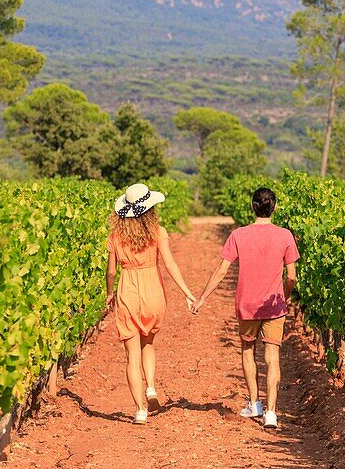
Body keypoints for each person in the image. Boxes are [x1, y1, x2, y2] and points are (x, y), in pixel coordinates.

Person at [193, 187, 298, 429]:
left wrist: (201, 299)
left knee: (248, 350)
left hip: (247, 305)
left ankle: (254, 404)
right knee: (272, 356)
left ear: (253, 207)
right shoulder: (285, 236)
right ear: (275, 207)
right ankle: (271, 413)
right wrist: (286, 296)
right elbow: (291, 277)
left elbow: (221, 271)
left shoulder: (238, 235)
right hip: (274, 305)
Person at [106, 182, 197, 425]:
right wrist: (187, 292)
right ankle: (152, 388)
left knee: (131, 356)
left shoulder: (115, 237)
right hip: (153, 292)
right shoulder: (158, 232)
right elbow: (170, 265)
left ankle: (139, 411)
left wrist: (108, 294)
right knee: (149, 342)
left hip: (128, 293)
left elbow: (111, 272)